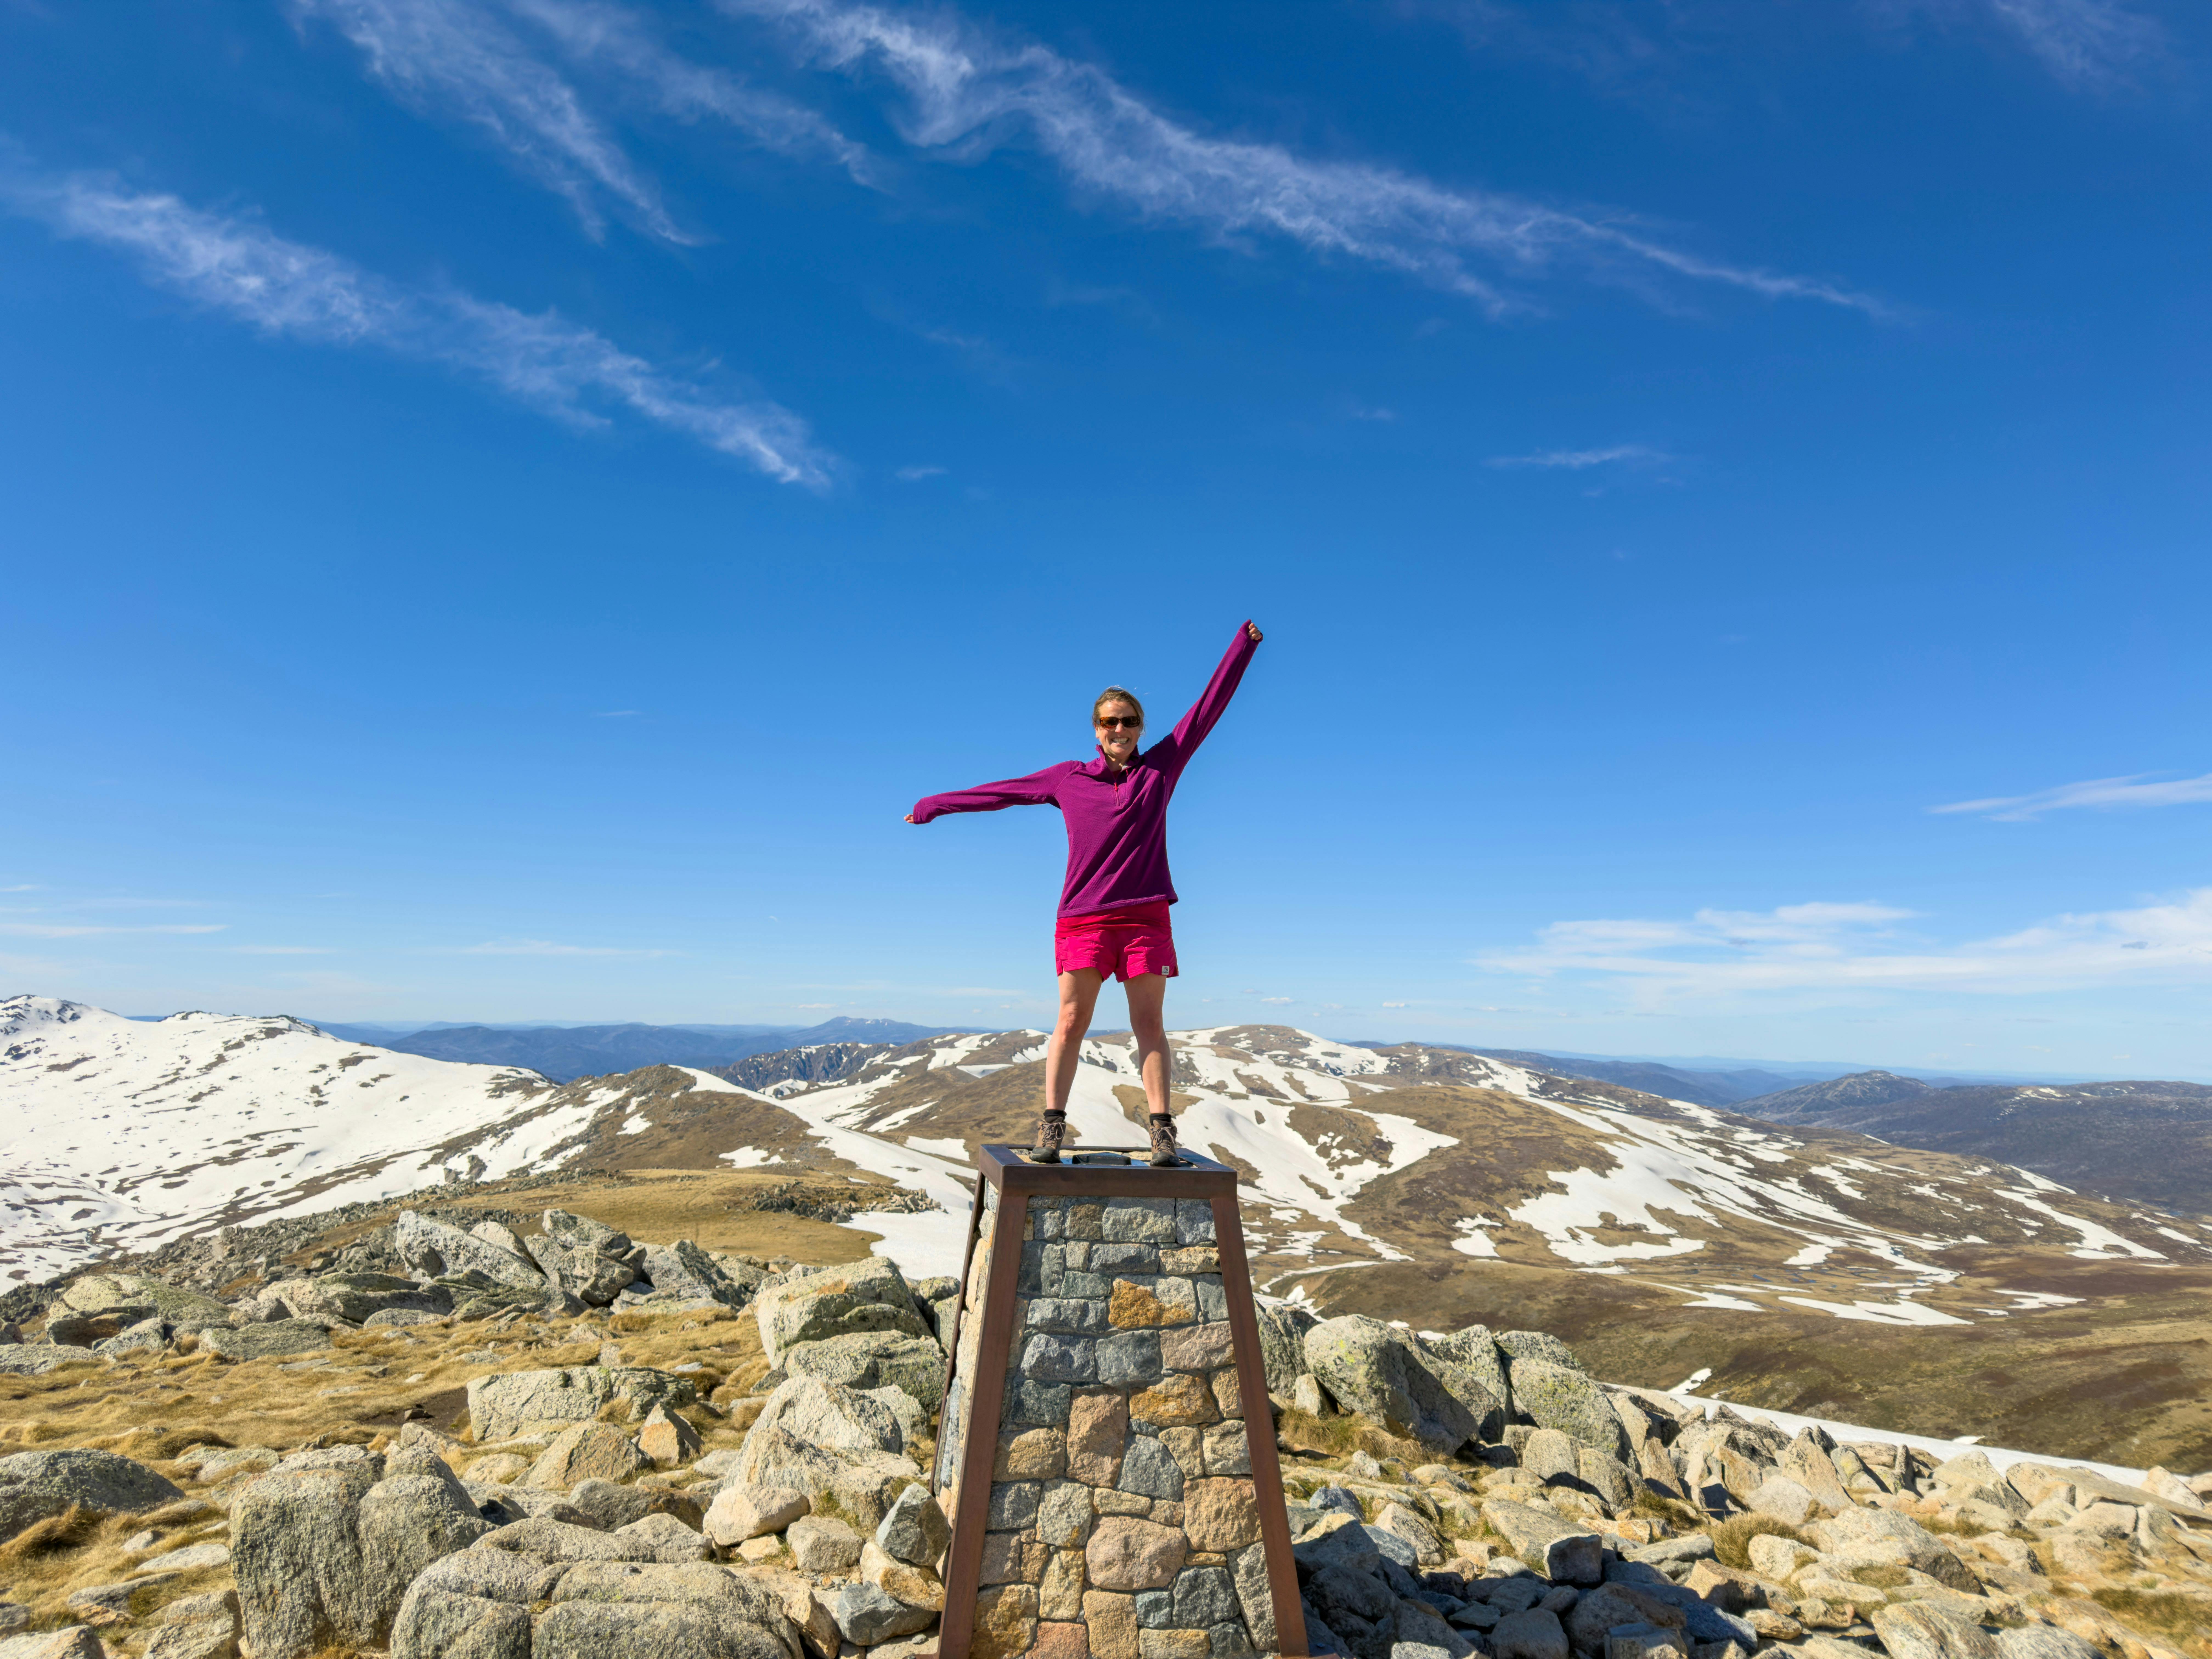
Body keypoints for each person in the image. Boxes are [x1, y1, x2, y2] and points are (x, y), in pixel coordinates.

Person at [905, 620, 1264, 1167]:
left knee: (1149, 1026)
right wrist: (935, 805)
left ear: (1140, 728)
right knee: (1072, 1022)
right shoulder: (1069, 778)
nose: (1118, 729)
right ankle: (1052, 1127)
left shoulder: (1161, 769)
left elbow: (1209, 708)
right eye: (1108, 722)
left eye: (1127, 722)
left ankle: (1162, 1132)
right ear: (1096, 731)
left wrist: (1242, 648)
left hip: (1146, 919)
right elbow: (1003, 793)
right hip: (1083, 919)